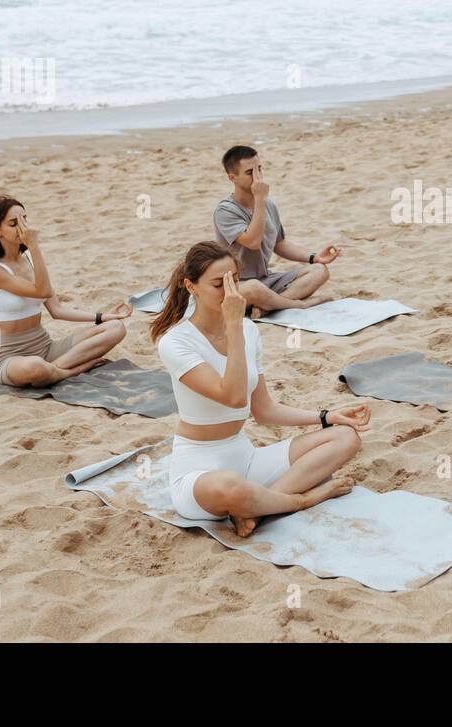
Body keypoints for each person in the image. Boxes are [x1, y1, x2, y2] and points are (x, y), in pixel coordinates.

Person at [151, 241, 371, 537]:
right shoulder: (176, 342)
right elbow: (233, 396)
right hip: (199, 471)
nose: (230, 293)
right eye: (218, 284)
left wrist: (328, 416)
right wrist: (233, 326)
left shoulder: (249, 330)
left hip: (246, 458)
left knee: (345, 437)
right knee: (231, 486)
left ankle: (256, 507)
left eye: (234, 281)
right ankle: (300, 499)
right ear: (191, 286)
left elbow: (264, 410)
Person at [0, 195, 130, 386]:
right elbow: (42, 291)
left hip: (46, 347)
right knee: (35, 367)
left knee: (116, 328)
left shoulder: (30, 259)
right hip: (11, 357)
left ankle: (54, 369)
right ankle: (70, 370)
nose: (23, 227)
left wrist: (101, 317)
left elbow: (57, 310)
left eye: (25, 219)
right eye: (14, 223)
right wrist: (34, 246)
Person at [212, 145, 340, 315]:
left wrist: (314, 257)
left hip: (265, 279)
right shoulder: (225, 211)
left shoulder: (267, 203)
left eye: (259, 169)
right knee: (254, 289)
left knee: (320, 270)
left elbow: (280, 244)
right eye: (250, 173)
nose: (258, 178)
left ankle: (269, 306)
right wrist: (260, 200)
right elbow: (253, 242)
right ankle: (296, 305)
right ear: (232, 178)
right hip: (235, 285)